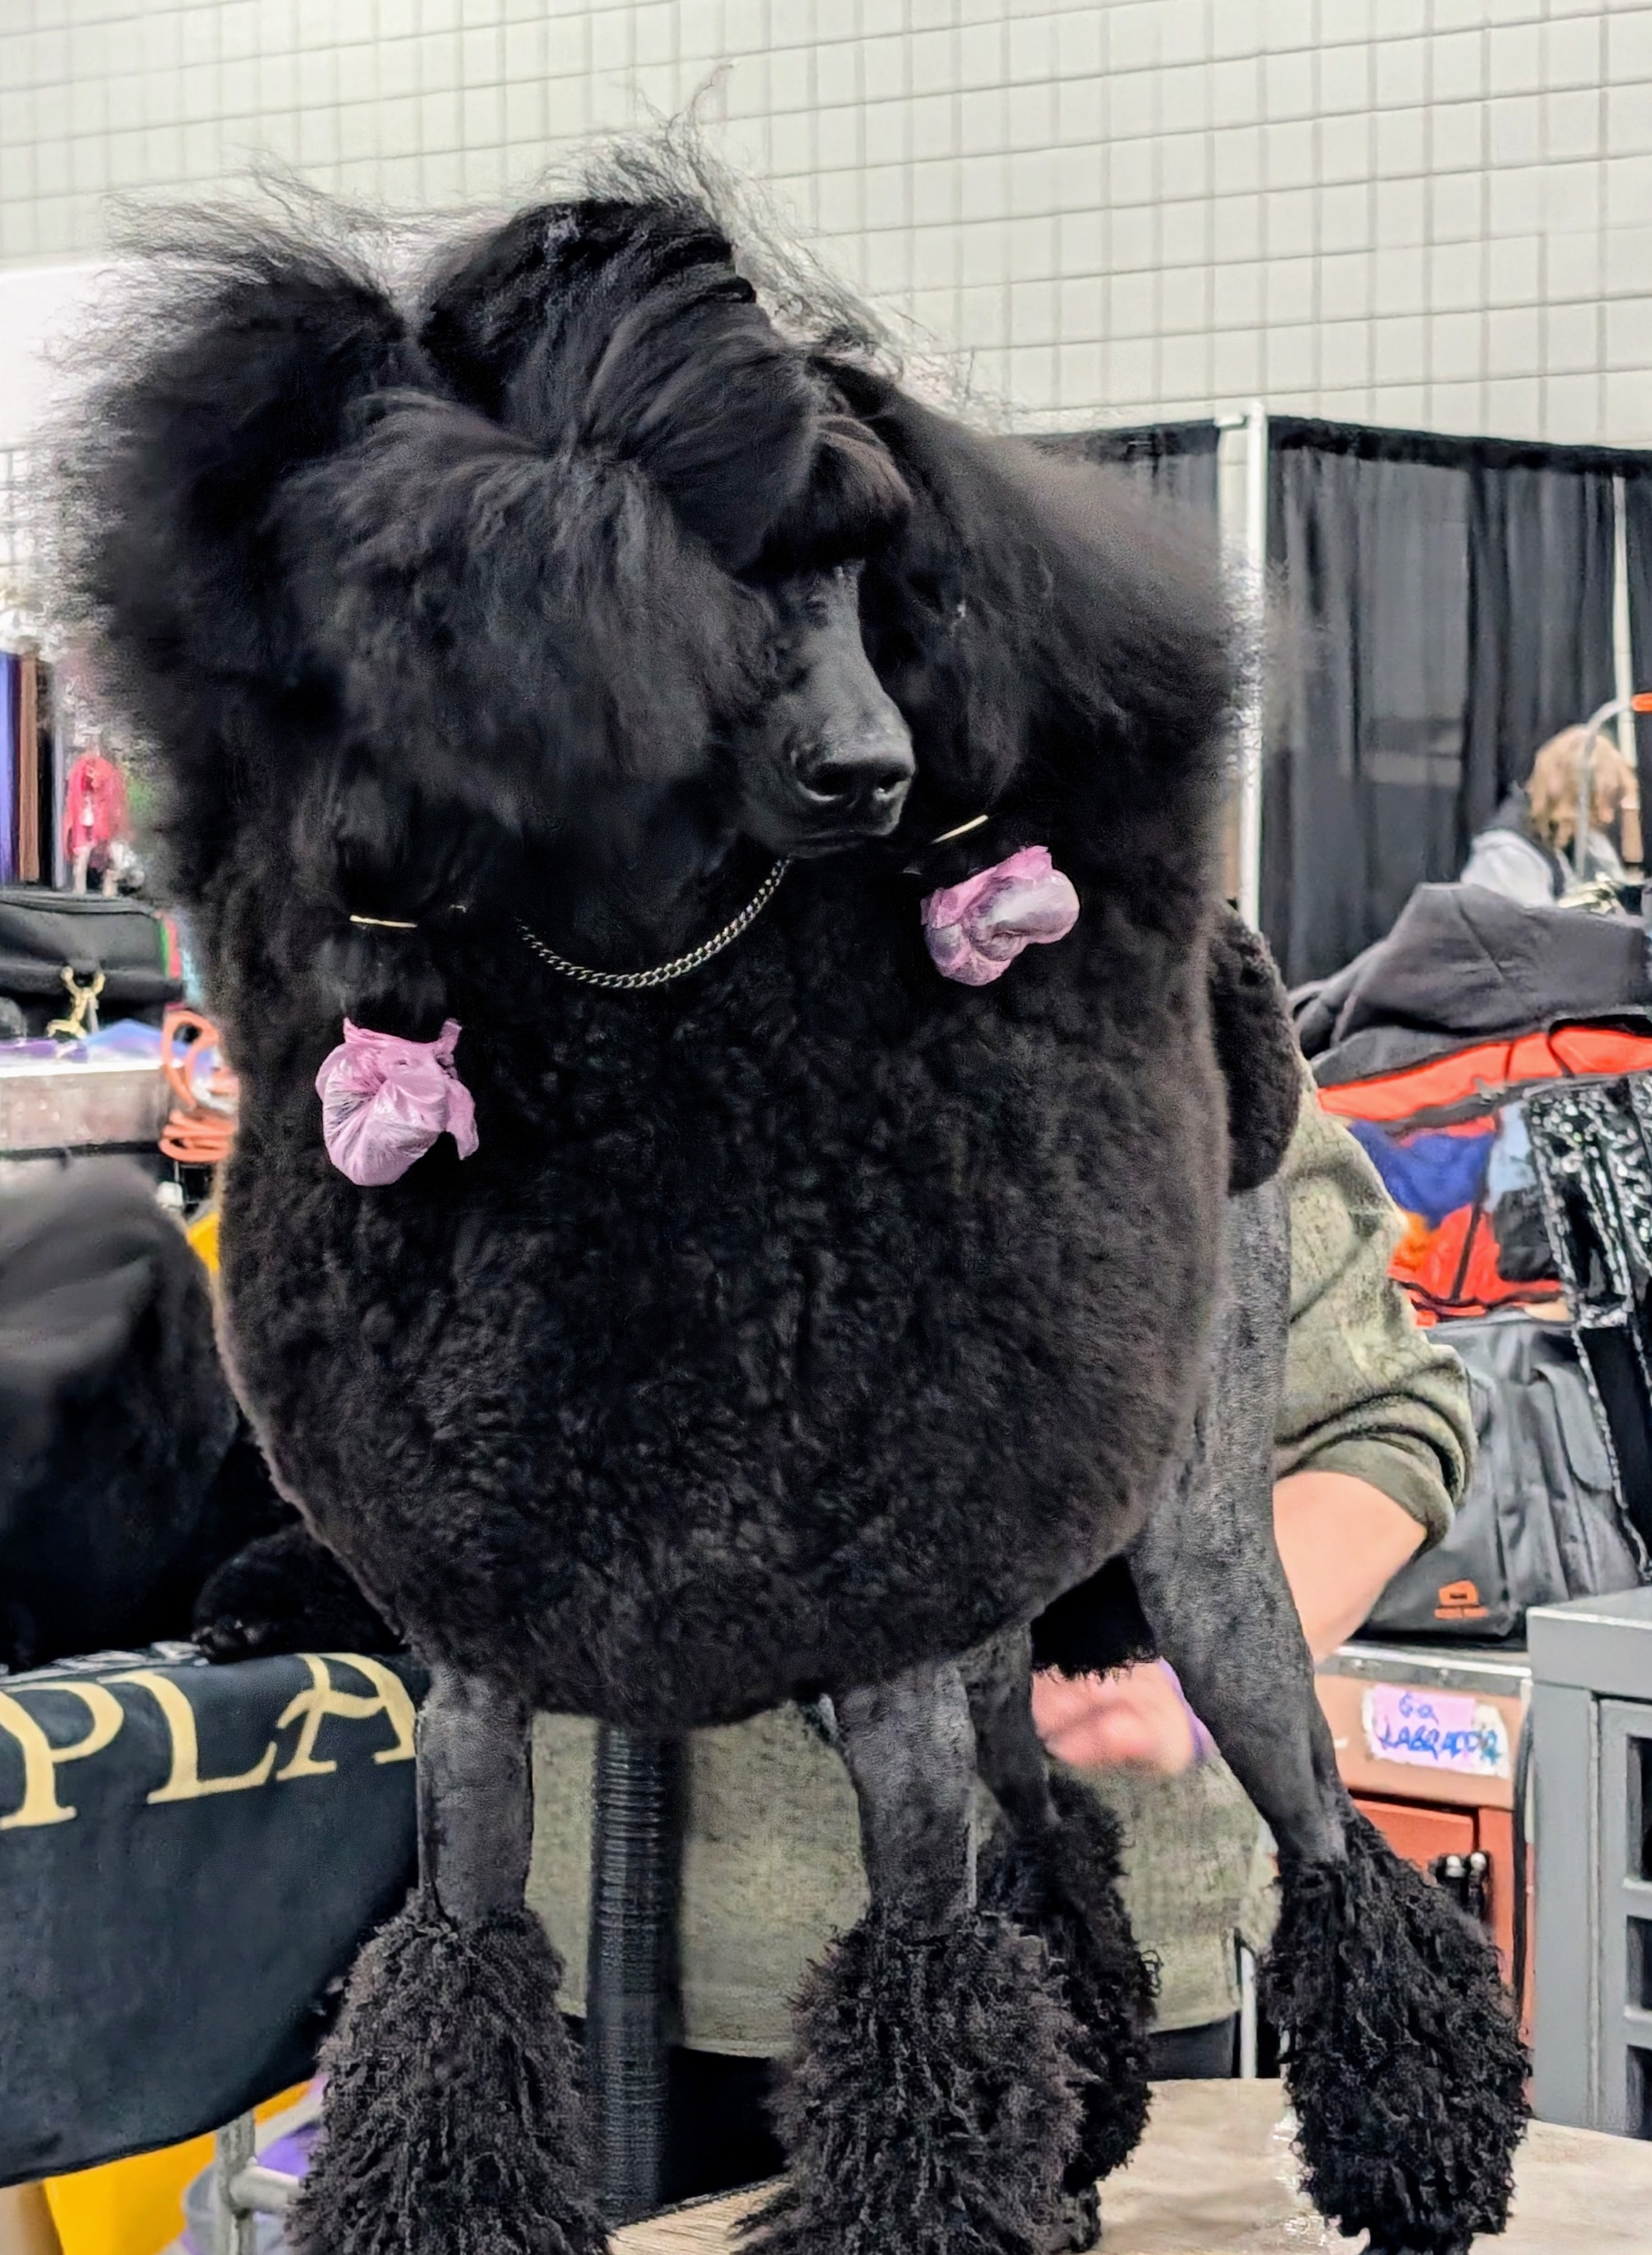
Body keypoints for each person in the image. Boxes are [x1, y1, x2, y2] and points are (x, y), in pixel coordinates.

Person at [525, 1073, 1476, 2192]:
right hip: (600, 1982)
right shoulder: (552, 1003)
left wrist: (1188, 1661)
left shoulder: (1148, 1008)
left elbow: (1376, 1418)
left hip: (1071, 1992)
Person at [1460, 724, 1635, 906]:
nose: (1607, 817)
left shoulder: (1588, 842)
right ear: (1570, 793)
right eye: (1595, 802)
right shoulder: (1507, 853)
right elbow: (1532, 923)